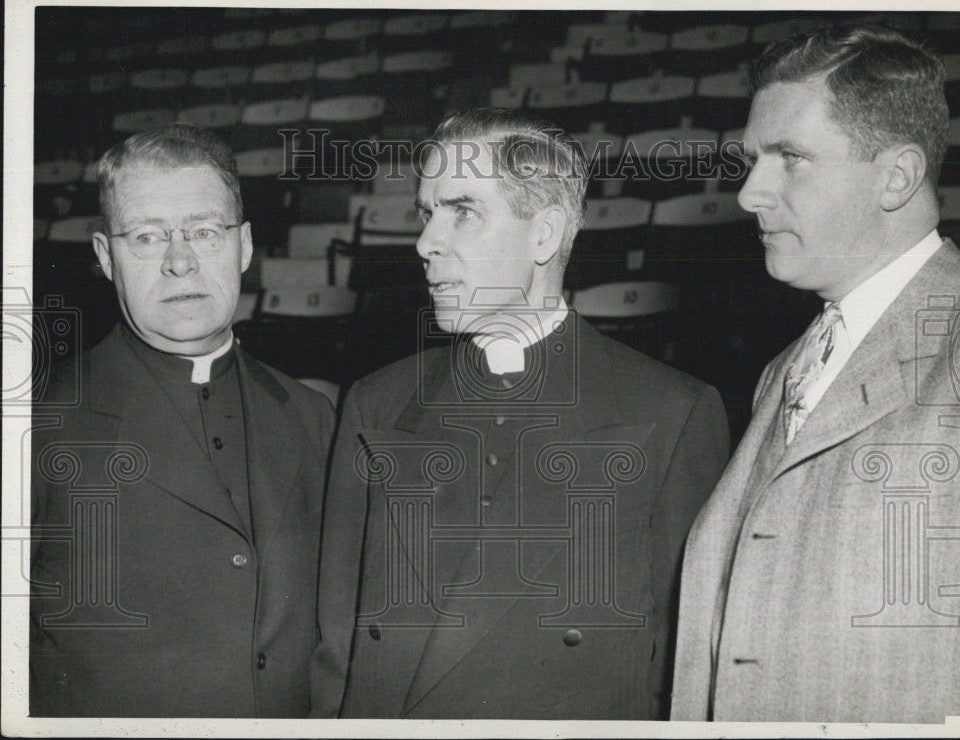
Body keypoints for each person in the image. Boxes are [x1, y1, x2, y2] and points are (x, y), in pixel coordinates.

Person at [309, 107, 730, 719]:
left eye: (463, 211)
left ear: (544, 234)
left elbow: (680, 676)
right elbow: (336, 654)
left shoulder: (674, 413)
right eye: (427, 214)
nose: (425, 243)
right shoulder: (376, 403)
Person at [670, 25, 960, 723]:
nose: (749, 193)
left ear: (895, 176)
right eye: (752, 160)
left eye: (791, 158)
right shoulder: (786, 365)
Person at [30, 124, 335, 717]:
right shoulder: (36, 422)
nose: (180, 261)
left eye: (202, 231)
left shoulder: (312, 416)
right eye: (147, 236)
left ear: (244, 246)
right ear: (104, 257)